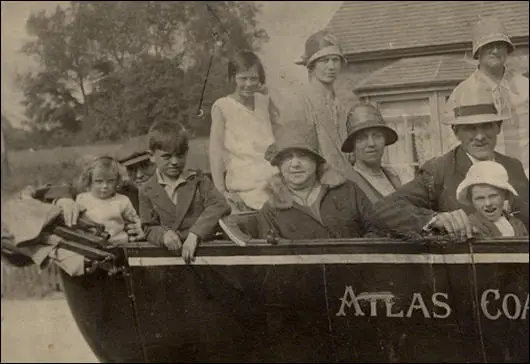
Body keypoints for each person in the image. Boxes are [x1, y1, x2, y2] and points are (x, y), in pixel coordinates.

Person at [370, 85, 529, 241]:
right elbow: (384, 209)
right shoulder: (438, 171)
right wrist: (434, 219)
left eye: (487, 125)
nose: (480, 136)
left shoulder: (513, 166)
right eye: (470, 128)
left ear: (498, 128)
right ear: (456, 132)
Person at [257, 122, 376, 240]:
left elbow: (378, 230)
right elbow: (271, 256)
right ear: (279, 165)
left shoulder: (348, 191)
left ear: (316, 160)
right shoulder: (271, 211)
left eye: (303, 156)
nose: (295, 164)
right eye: (287, 158)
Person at [443, 16, 529, 172]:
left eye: (500, 45)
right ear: (478, 51)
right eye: (489, 46)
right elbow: (455, 143)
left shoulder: (525, 87)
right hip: (486, 178)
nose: (495, 51)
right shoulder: (462, 92)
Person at [139, 119, 231, 263]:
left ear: (186, 152)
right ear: (151, 156)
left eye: (180, 155)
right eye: (167, 156)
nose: (175, 162)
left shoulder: (198, 180)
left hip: (203, 253)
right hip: (169, 257)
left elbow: (220, 204)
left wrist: (195, 234)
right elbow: (149, 227)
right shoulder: (146, 190)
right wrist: (163, 235)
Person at [280, 29, 359, 181]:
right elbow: (297, 156)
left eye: (335, 60)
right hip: (318, 182)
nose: (331, 66)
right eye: (324, 61)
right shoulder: (298, 102)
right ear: (311, 65)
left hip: (351, 180)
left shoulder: (345, 102)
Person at [209, 50, 279, 213]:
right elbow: (216, 152)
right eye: (243, 78)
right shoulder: (222, 107)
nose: (249, 84)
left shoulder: (264, 101)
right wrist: (221, 191)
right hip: (245, 183)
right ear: (233, 78)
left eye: (253, 78)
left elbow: (279, 130)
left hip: (273, 179)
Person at [340, 102, 401, 203]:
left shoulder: (392, 177)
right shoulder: (347, 184)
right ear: (353, 145)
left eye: (377, 136)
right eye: (362, 138)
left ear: (385, 140)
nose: (371, 143)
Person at [74, 155, 142, 244]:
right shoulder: (82, 199)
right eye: (99, 181)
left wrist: (139, 226)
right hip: (90, 244)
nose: (105, 186)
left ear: (117, 181)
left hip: (118, 244)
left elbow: (135, 220)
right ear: (89, 181)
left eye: (110, 181)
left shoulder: (122, 200)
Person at [456, 161, 527, 237]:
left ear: (505, 195)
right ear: (472, 201)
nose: (488, 203)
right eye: (479, 198)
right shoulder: (471, 226)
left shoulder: (517, 223)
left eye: (493, 196)